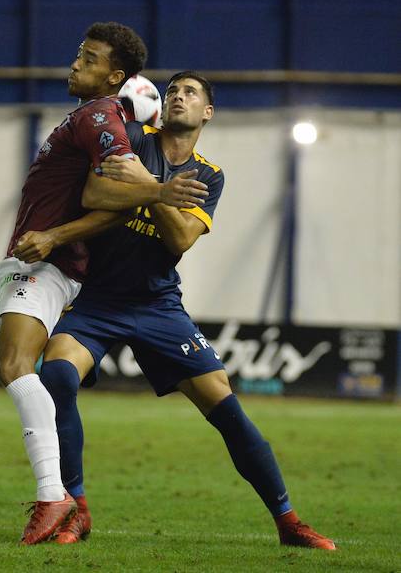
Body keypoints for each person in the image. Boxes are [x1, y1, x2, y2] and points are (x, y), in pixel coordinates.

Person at [0, 23, 206, 544]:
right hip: (19, 261)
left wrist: (150, 196)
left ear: (114, 77)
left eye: (89, 59)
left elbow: (116, 198)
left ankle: (55, 497)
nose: (75, 64)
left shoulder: (101, 117)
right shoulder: (85, 114)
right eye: (78, 54)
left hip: (52, 265)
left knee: (14, 366)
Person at [40, 71, 336, 550]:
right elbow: (94, 196)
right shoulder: (133, 138)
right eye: (173, 90)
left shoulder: (208, 175)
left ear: (207, 112)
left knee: (226, 409)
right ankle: (77, 509)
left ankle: (288, 522)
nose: (178, 95)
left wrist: (146, 185)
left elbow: (180, 239)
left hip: (158, 305)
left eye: (190, 92)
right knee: (55, 375)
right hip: (98, 300)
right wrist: (161, 192)